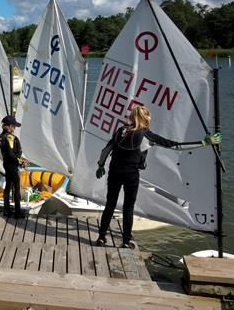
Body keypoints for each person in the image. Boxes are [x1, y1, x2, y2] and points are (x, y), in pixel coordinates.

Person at [94, 105, 222, 248]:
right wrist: (203, 143)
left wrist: (100, 165)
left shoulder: (121, 131)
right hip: (131, 174)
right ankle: (125, 241)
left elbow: (106, 149)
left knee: (110, 203)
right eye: (148, 116)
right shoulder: (146, 135)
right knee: (128, 207)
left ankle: (101, 237)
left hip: (114, 171)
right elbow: (175, 146)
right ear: (145, 118)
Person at [0, 115, 29, 218]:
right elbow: (12, 154)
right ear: (10, 126)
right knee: (16, 188)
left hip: (6, 164)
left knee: (7, 187)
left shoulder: (1, 137)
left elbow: (7, 153)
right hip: (12, 166)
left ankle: (6, 210)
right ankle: (17, 212)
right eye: (14, 126)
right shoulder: (10, 137)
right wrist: (21, 162)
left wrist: (18, 159)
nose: (14, 128)